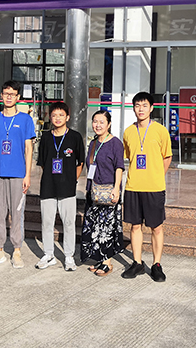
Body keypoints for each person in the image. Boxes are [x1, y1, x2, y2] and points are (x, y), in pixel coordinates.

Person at [0, 81, 36, 268]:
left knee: (17, 212)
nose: (9, 97)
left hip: (17, 173)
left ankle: (17, 250)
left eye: (12, 94)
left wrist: (27, 175)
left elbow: (29, 149)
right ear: (1, 95)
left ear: (18, 97)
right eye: (6, 93)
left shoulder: (25, 120)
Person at [121, 92, 172, 282]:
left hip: (154, 187)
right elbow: (128, 156)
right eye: (137, 105)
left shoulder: (160, 130)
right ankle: (137, 263)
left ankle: (156, 264)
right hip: (133, 186)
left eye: (144, 105)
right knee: (135, 226)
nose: (140, 109)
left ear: (151, 108)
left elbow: (167, 157)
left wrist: (157, 175)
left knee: (156, 227)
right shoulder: (128, 132)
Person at [35, 101, 85, 272]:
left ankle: (69, 256)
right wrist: (52, 177)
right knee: (47, 222)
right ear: (50, 117)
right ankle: (48, 254)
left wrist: (71, 179)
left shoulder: (75, 137)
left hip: (67, 188)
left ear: (67, 117)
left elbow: (80, 162)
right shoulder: (46, 137)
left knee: (69, 222)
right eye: (54, 115)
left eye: (61, 115)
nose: (57, 118)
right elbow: (43, 162)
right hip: (48, 186)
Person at [81, 110, 125, 277]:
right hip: (94, 191)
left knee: (107, 227)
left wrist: (116, 188)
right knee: (95, 226)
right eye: (95, 121)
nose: (97, 125)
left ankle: (107, 262)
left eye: (101, 122)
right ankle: (100, 258)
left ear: (109, 124)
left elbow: (119, 167)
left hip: (109, 190)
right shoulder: (93, 143)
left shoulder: (115, 143)